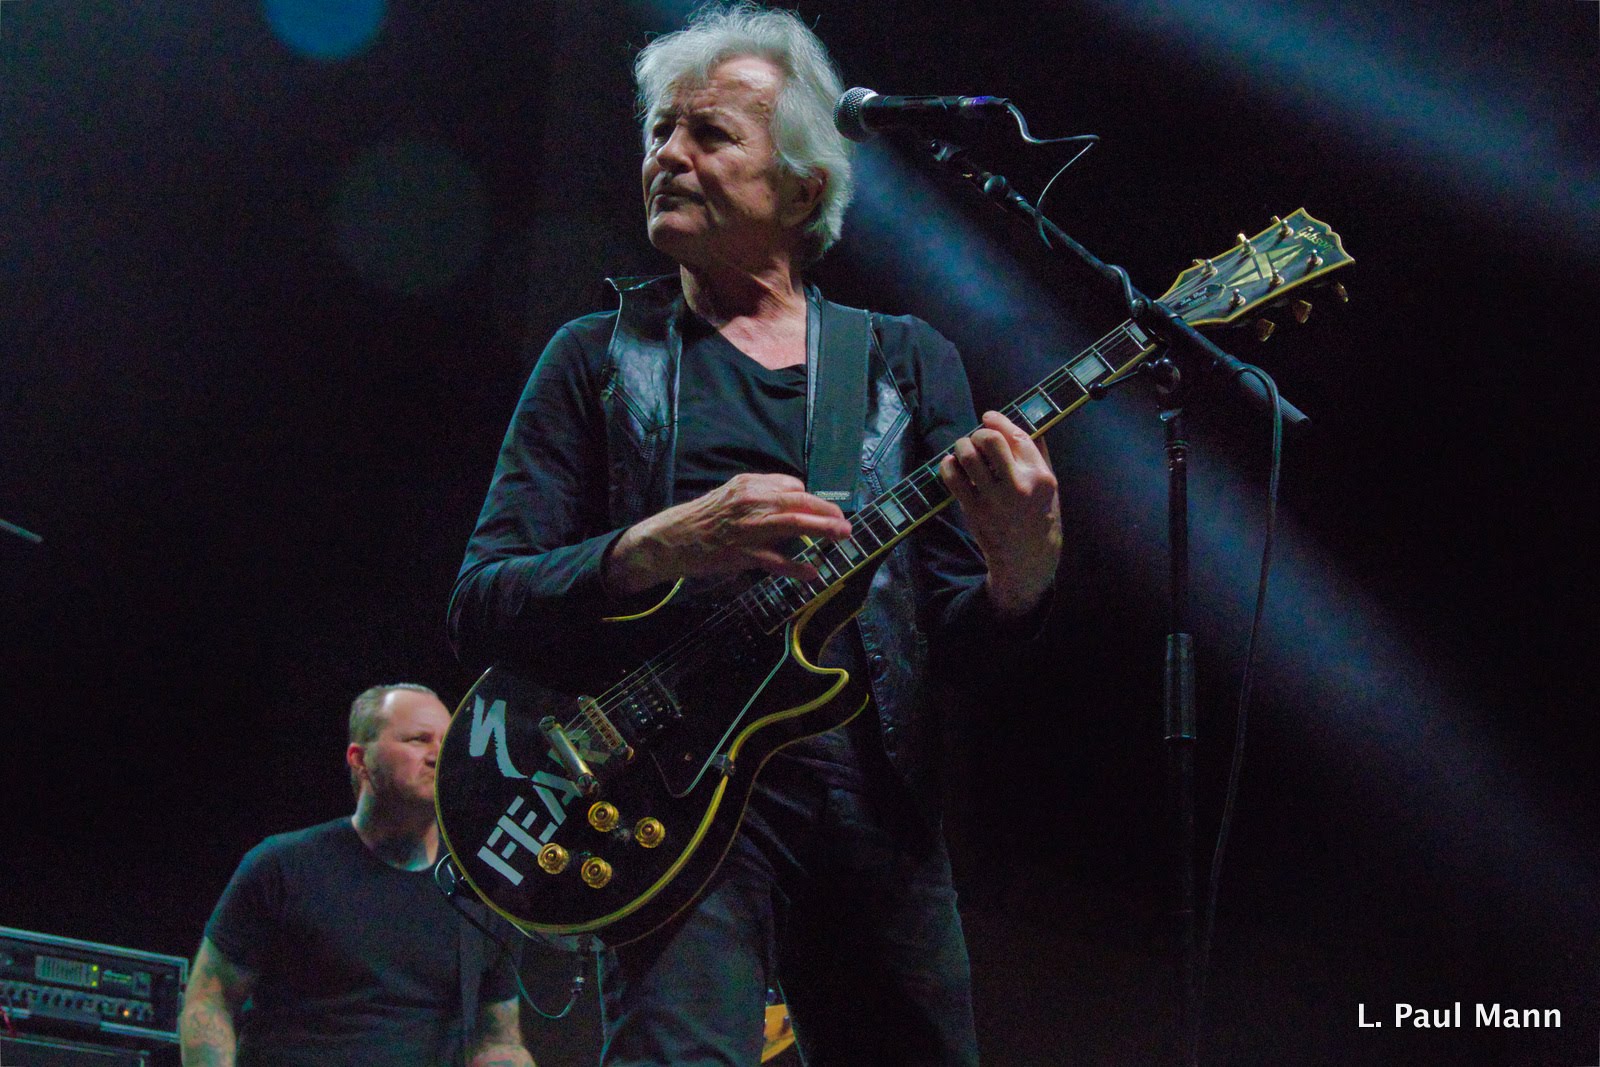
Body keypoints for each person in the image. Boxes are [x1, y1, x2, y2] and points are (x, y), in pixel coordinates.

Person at [447, 4, 1061, 1064]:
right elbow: (481, 603)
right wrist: (657, 544)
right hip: (662, 794)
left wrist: (1026, 559)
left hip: (873, 805)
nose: (667, 155)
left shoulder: (906, 362)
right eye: (659, 131)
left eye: (710, 134)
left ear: (803, 189)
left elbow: (961, 644)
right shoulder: (597, 358)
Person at [179, 684, 537, 1067]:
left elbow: (497, 1041)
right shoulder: (282, 866)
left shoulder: (478, 890)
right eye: (418, 740)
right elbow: (209, 1001)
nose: (439, 755)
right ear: (360, 759)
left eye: (447, 742)